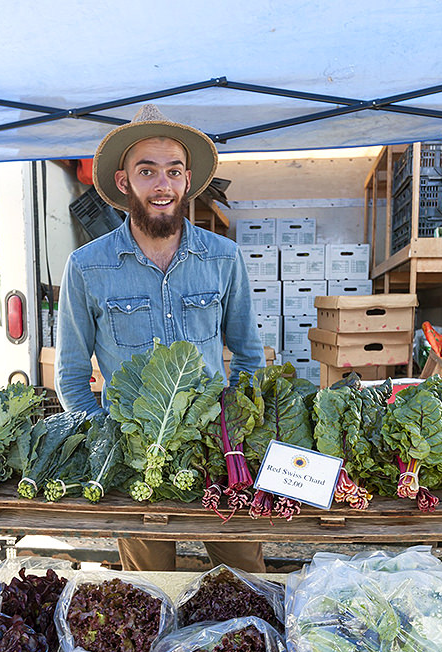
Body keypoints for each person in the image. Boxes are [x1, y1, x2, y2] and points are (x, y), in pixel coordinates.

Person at [55, 105, 266, 573]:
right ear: (125, 181)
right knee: (148, 592)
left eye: (173, 171)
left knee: (248, 579)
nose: (162, 185)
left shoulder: (223, 258)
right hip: (136, 466)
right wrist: (112, 442)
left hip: (216, 455)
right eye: (147, 171)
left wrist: (231, 429)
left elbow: (250, 357)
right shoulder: (88, 267)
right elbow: (70, 377)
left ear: (188, 181)